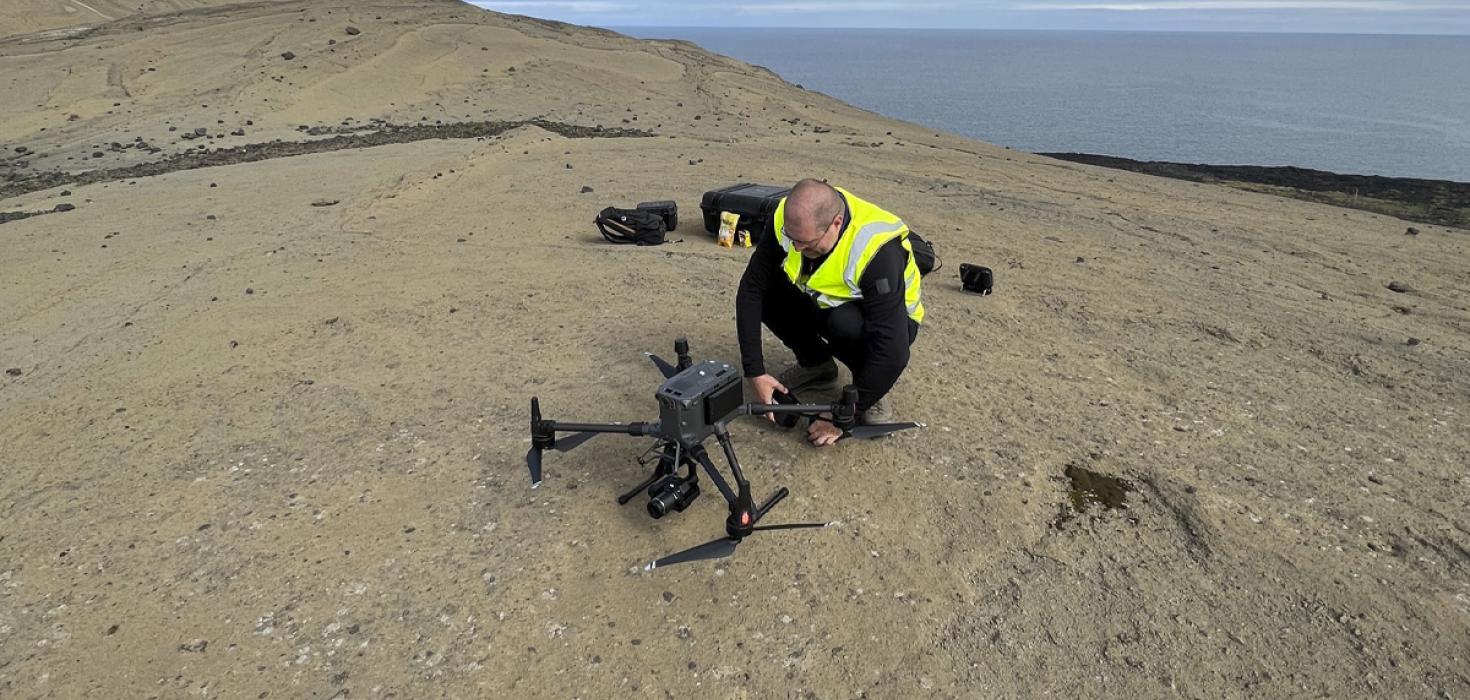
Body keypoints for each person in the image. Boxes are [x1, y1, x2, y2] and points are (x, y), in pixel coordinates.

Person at [736, 179, 925, 447]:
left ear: (836, 224)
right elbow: (752, 287)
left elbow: (893, 352)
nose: (797, 248)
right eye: (793, 239)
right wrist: (754, 371)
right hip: (826, 299)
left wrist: (842, 414)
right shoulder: (786, 219)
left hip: (893, 323)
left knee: (843, 323)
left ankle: (869, 390)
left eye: (806, 242)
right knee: (767, 289)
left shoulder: (877, 251)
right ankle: (816, 365)